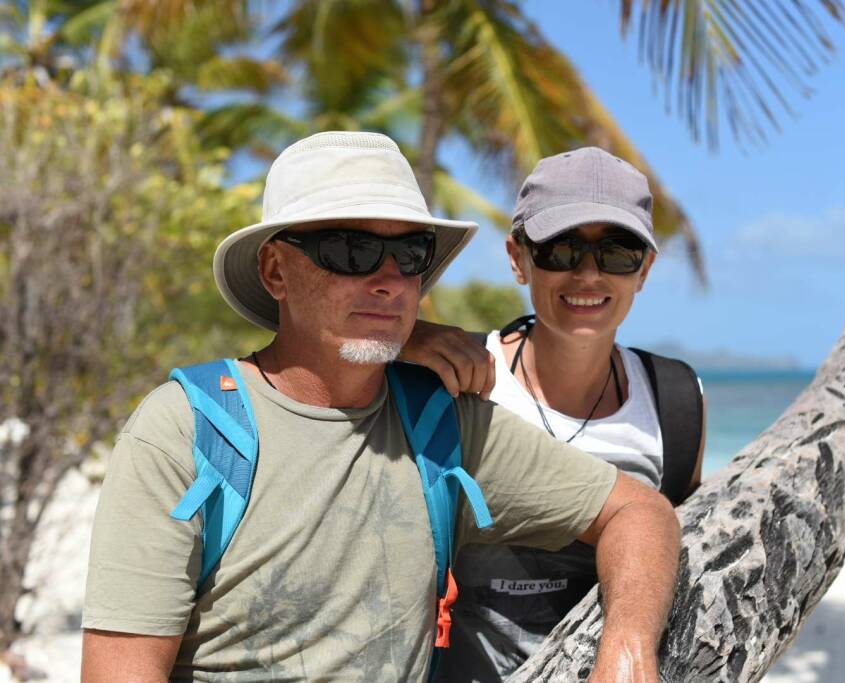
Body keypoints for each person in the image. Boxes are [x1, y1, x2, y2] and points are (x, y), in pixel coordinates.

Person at [79, 132, 681, 682]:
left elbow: (639, 512)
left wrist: (626, 646)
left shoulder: (440, 424)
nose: (389, 279)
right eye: (351, 250)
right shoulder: (186, 432)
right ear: (275, 270)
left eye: (411, 253)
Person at [402, 147, 705, 681]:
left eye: (617, 252)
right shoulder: (451, 377)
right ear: (517, 258)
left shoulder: (677, 400)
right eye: (560, 250)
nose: (588, 274)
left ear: (645, 270)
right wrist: (398, 337)